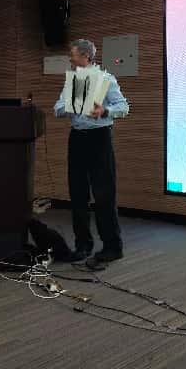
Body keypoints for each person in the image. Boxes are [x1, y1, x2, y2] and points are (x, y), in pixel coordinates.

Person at [54, 39, 129, 263]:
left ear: (85, 56)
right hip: (77, 138)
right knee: (77, 194)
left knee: (104, 194)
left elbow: (123, 107)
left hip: (100, 138)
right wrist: (71, 106)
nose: (70, 58)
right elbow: (57, 108)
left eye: (73, 54)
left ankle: (112, 247)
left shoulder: (106, 78)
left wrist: (104, 111)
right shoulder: (72, 80)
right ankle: (83, 245)